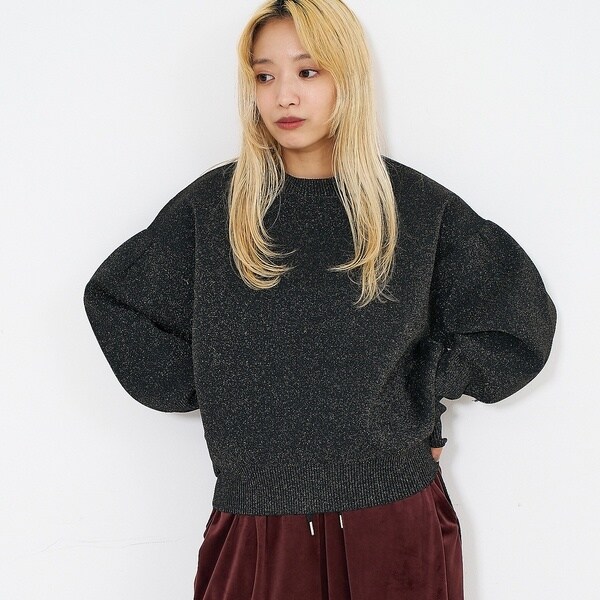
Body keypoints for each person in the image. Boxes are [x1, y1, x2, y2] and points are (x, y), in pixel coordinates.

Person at [83, 0, 557, 598]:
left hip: (394, 517)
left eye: (307, 71)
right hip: (258, 521)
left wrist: (422, 385)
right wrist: (222, 384)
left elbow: (517, 321)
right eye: (264, 76)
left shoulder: (413, 207)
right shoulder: (216, 208)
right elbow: (117, 300)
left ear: (346, 78)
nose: (284, 95)